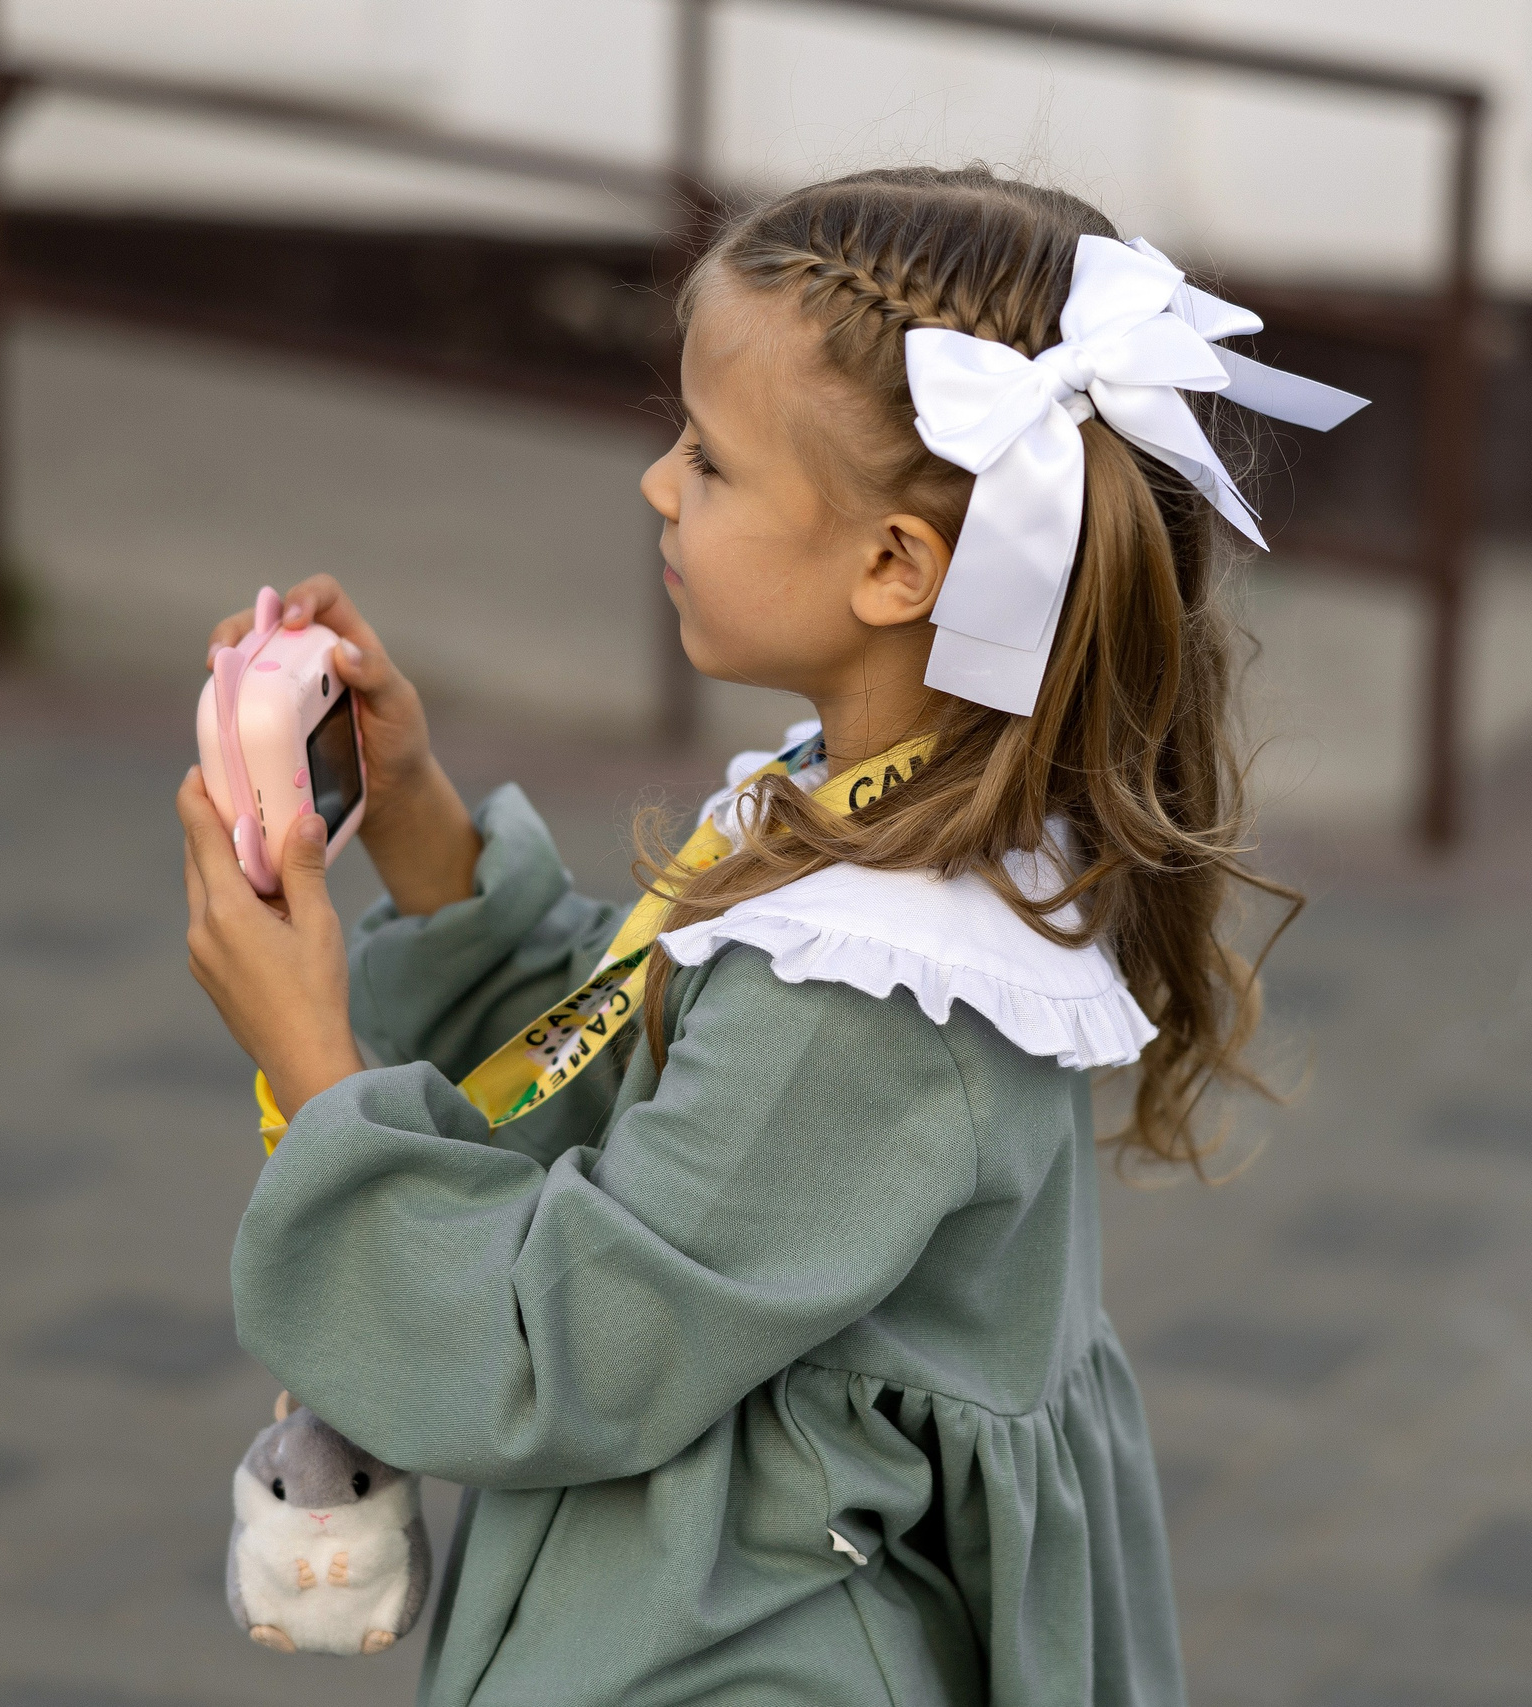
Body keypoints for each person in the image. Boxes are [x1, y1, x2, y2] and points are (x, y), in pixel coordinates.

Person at [176, 165, 1361, 1706]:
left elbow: (561, 1348)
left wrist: (313, 1066)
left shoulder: (887, 988)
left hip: (751, 1650)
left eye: (710, 461)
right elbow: (641, 1064)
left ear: (895, 568)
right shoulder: (878, 809)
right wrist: (415, 818)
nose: (659, 486)